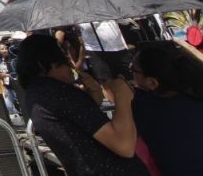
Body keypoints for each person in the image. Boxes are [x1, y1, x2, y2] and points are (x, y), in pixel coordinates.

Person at [16, 35, 148, 175]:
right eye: (62, 61)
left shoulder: (35, 94)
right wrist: (122, 95)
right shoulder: (61, 94)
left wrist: (89, 97)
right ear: (43, 66)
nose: (69, 66)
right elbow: (123, 145)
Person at [130, 41, 203, 175]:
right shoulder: (195, 96)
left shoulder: (143, 105)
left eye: (132, 69)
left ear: (153, 82)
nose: (132, 74)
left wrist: (119, 90)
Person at [0, 41, 20, 117]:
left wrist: (6, 75)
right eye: (2, 49)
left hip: (16, 86)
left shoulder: (12, 59)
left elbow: (16, 74)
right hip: (8, 86)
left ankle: (22, 118)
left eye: (6, 48)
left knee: (20, 104)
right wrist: (0, 76)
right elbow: (0, 73)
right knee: (8, 105)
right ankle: (18, 117)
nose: (5, 50)